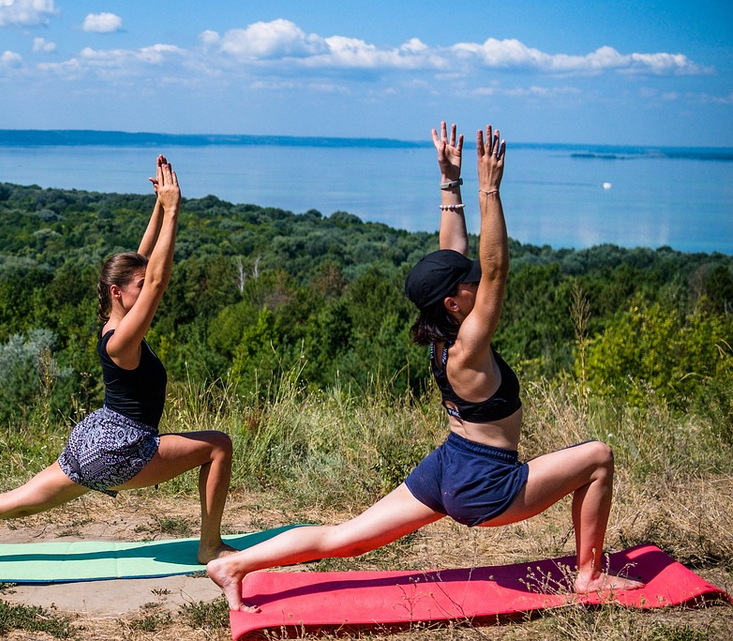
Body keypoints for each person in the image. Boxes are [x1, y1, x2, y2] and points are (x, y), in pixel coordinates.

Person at [207, 123, 643, 612]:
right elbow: (496, 266)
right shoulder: (470, 347)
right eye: (469, 285)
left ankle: (234, 564)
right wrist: (489, 189)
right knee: (599, 456)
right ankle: (589, 575)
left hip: (448, 466)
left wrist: (449, 181)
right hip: (486, 484)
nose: (478, 284)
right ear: (454, 304)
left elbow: (452, 255)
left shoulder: (443, 338)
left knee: (344, 536)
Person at [0, 155, 236, 566]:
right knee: (219, 446)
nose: (145, 285)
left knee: (17, 502)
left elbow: (144, 264)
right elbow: (158, 279)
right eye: (138, 284)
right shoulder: (121, 342)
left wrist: (158, 205)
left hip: (96, 440)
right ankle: (210, 547)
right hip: (124, 448)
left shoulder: (112, 323)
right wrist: (173, 209)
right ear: (117, 292)